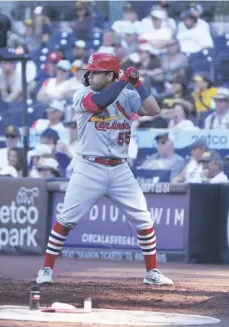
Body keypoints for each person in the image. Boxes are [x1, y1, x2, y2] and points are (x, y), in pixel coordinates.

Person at [36, 53, 173, 286]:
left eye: (95, 71)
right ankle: (46, 268)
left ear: (109, 74)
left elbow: (153, 110)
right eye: (89, 70)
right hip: (89, 166)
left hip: (120, 168)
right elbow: (99, 104)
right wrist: (122, 81)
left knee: (143, 218)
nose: (89, 74)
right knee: (67, 219)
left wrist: (137, 83)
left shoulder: (127, 94)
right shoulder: (83, 94)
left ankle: (152, 272)